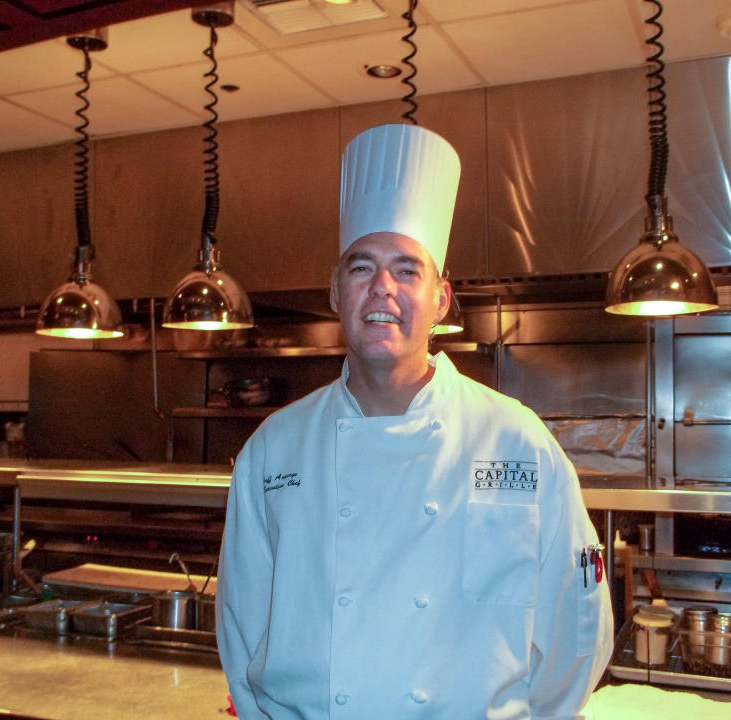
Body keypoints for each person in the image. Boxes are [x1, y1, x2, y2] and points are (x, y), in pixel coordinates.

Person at [217, 123, 613, 719]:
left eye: (407, 269)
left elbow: (576, 635)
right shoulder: (274, 451)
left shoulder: (517, 442)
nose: (382, 288)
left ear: (441, 298)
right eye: (361, 267)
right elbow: (241, 625)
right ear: (334, 291)